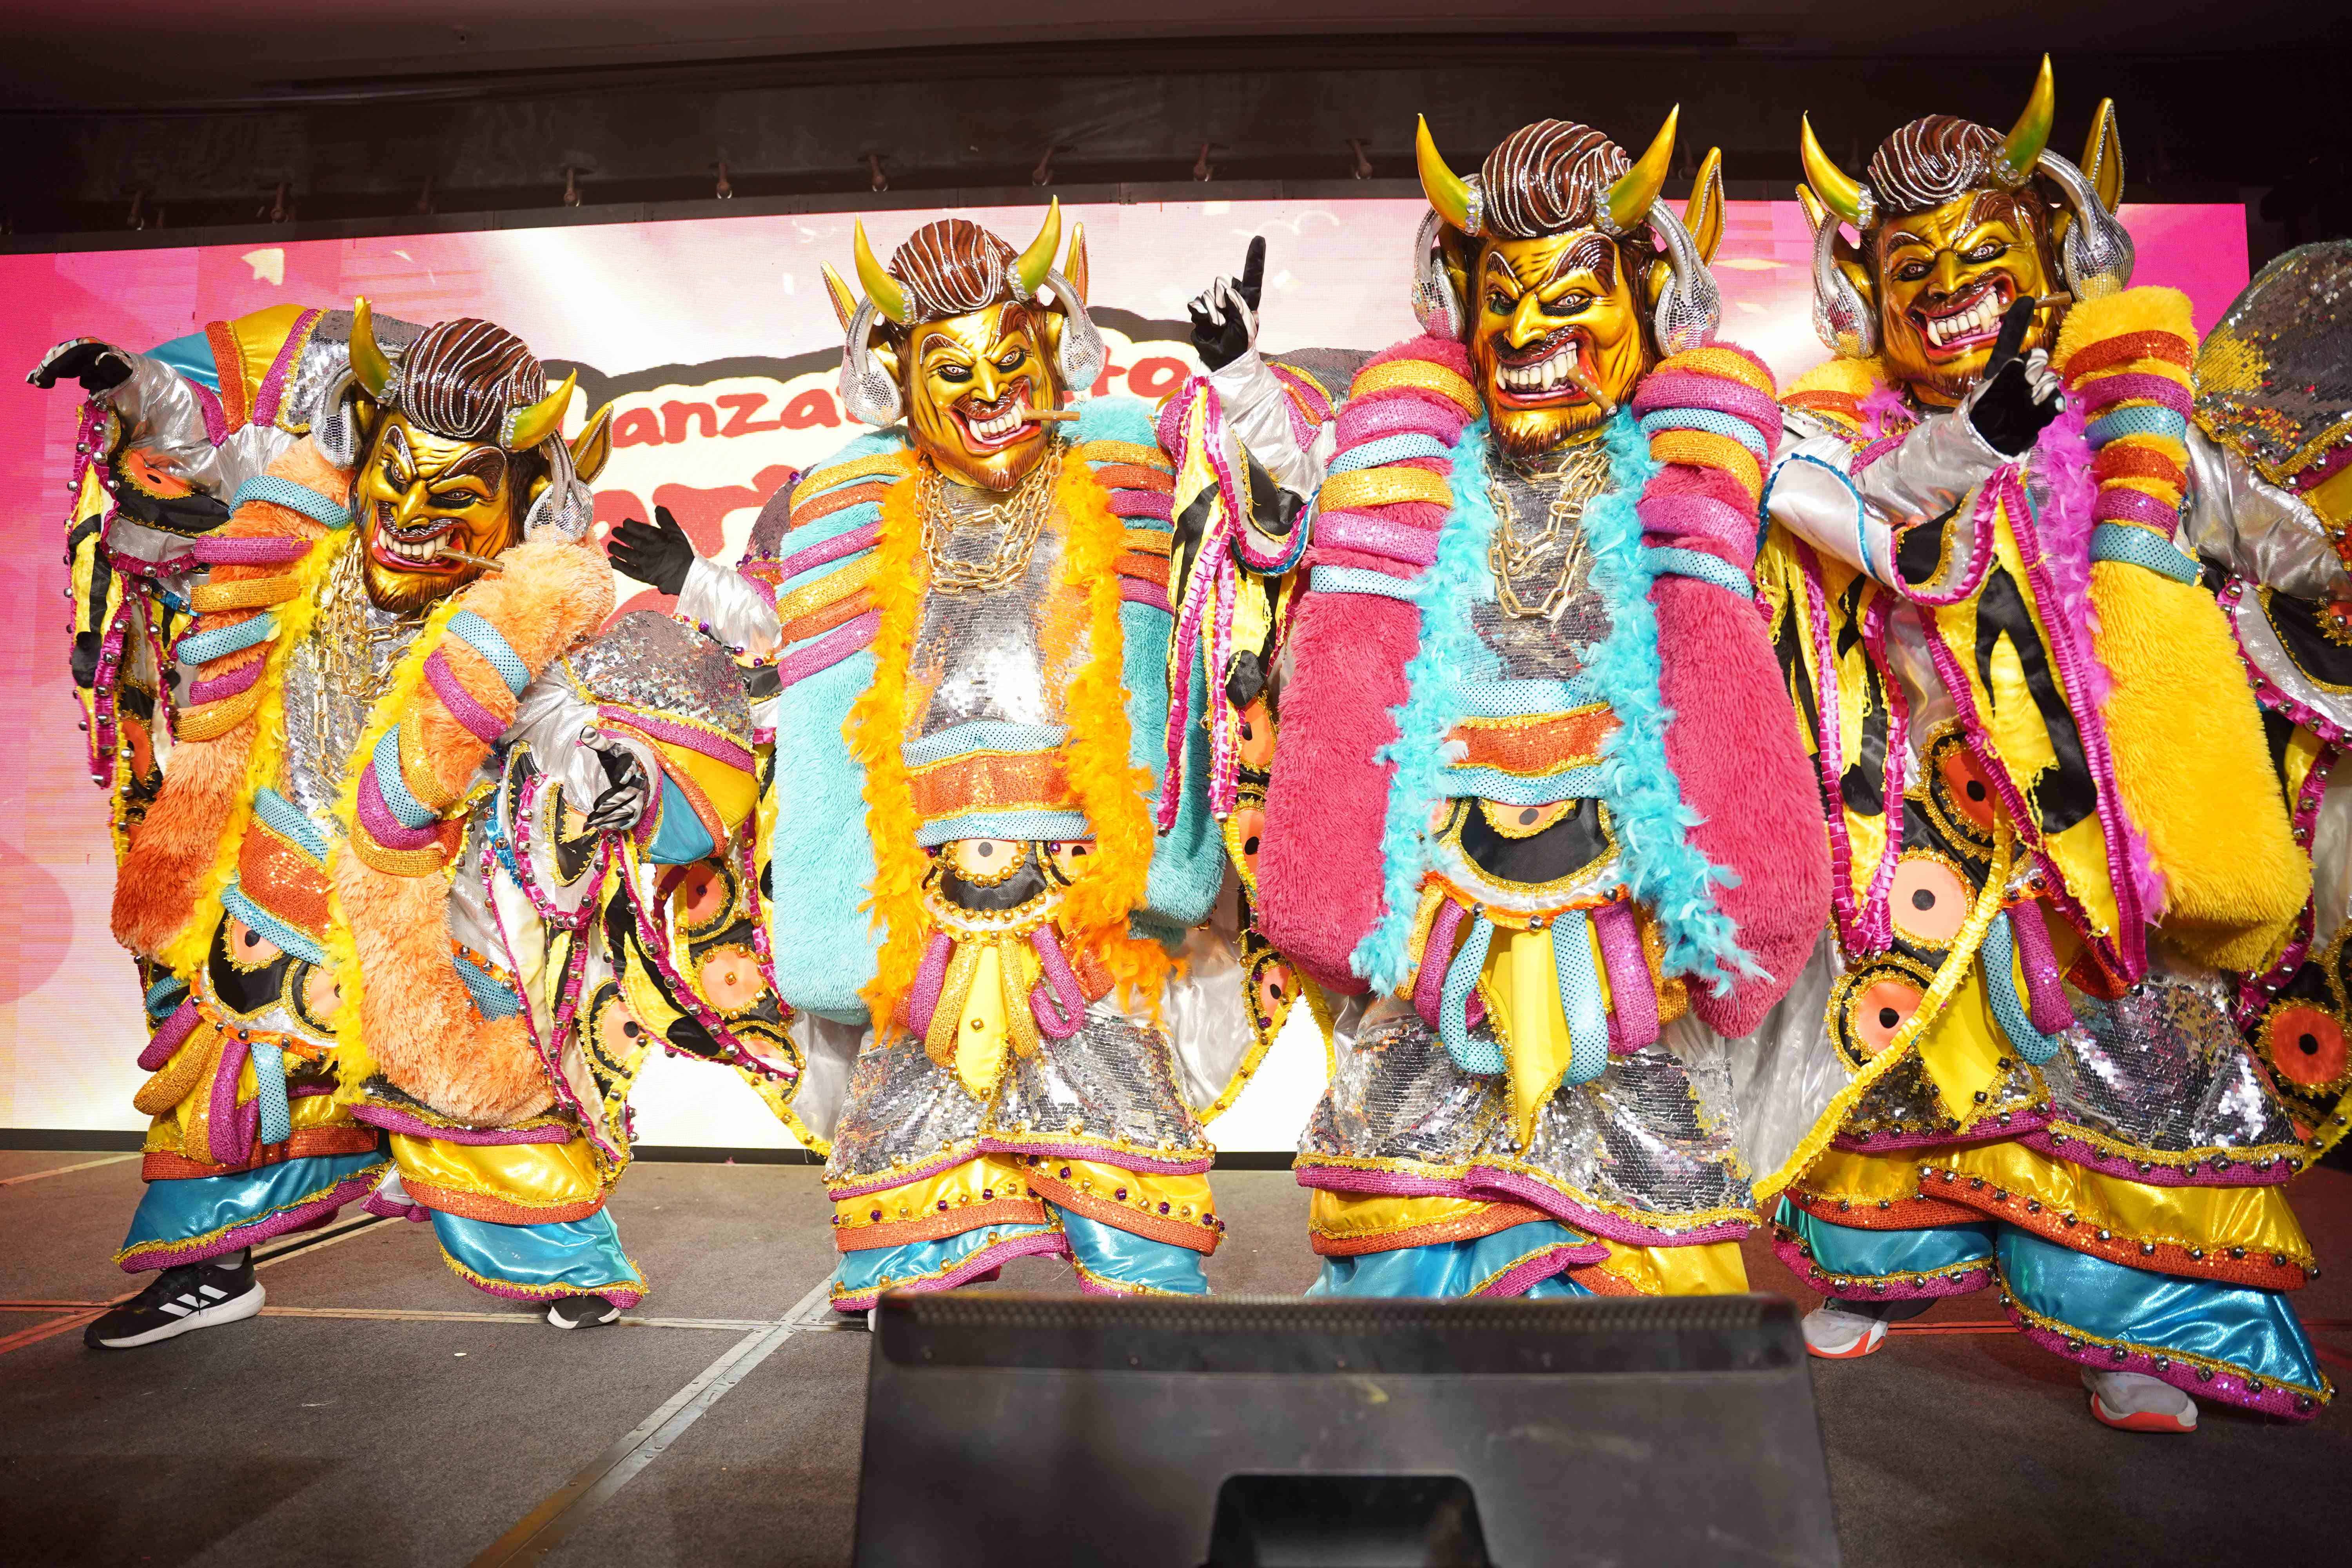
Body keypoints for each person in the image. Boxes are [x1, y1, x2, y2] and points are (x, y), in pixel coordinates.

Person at [1757, 58, 2333, 1428]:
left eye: (1980, 253)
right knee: (1895, 1064)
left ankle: (2134, 1330)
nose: (1949, 289)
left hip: (2101, 822)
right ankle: (1875, 1278)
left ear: (2044, 257)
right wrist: (1976, 441)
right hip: (1916, 819)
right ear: (1868, 286)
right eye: (1914, 265)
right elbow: (1875, 524)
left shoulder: (2138, 423)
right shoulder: (1830, 433)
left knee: (2126, 1066)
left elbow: (2271, 536)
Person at [607, 205, 1320, 1310]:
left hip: (1087, 882)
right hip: (923, 884)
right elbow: (800, 650)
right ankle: (921, 1294)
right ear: (898, 373)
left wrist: (1240, 382)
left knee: (1117, 1120)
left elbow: (1269, 515)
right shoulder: (850, 496)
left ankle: (1136, 1272)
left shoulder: (1132, 453)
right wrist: (692, 584)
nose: (988, 392)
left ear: (1049, 348)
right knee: (911, 1132)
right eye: (953, 367)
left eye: (1009, 359)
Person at [31, 301, 760, 1343]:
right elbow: (186, 453)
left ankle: (559, 1258)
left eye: (454, 490)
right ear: (359, 453)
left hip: (423, 895)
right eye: (397, 472)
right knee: (235, 1085)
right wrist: (128, 385)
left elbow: (563, 722)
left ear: (519, 503)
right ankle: (209, 1267)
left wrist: (618, 773)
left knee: (472, 1090)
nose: (413, 509)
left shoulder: (511, 615)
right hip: (276, 875)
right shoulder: (296, 524)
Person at [1252, 111, 1830, 1299]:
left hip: (1626, 885)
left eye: (1569, 299)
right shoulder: (1412, 466)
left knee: (1644, 1241)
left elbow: (1883, 523)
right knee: (1409, 1223)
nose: (1525, 332)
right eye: (1500, 296)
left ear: (1649, 296)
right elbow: (1283, 488)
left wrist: (1980, 446)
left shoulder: (1706, 460)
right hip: (1444, 886)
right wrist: (1227, 383)